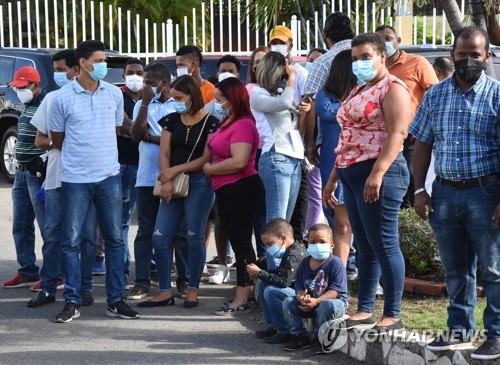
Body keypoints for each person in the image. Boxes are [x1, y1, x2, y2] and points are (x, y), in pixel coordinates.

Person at [411, 26, 500, 361]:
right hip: (445, 193)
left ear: (486, 56)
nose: (467, 61)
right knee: (454, 268)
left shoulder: (497, 95)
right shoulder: (435, 94)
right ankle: (459, 328)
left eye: (474, 55)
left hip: (486, 193)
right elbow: (422, 141)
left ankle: (496, 334)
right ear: (452, 54)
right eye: (461, 55)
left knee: (493, 269)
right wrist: (419, 189)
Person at [323, 32, 411, 333]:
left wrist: (377, 173)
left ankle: (394, 313)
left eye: (365, 57)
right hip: (350, 173)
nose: (359, 63)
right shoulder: (359, 88)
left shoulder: (393, 88)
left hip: (380, 174)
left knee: (385, 243)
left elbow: (397, 134)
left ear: (382, 56)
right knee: (365, 245)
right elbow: (349, 137)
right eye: (355, 58)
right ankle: (365, 309)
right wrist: (335, 176)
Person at [49, 40, 139, 322]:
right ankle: (73, 300)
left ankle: (115, 300)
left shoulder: (113, 95)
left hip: (109, 177)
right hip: (75, 179)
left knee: (114, 240)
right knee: (71, 241)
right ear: (83, 63)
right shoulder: (61, 98)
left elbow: (113, 131)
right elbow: (57, 140)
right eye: (99, 60)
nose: (103, 66)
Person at [138, 75, 218, 309]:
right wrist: (167, 179)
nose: (175, 102)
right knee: (160, 237)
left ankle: (192, 288)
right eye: (173, 98)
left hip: (200, 183)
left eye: (179, 98)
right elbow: (164, 152)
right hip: (170, 181)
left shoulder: (211, 122)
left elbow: (206, 158)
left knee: (194, 235)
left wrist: (173, 171)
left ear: (193, 96)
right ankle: (164, 290)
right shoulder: (170, 120)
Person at [28, 49, 97, 308]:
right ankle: (48, 288)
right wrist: (67, 140)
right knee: (53, 235)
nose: (56, 74)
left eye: (60, 69)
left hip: (88, 179)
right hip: (57, 179)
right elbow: (40, 140)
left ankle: (85, 287)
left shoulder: (95, 98)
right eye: (55, 69)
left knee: (87, 237)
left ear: (76, 68)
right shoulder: (53, 99)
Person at [203, 77, 264, 314]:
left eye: (220, 99)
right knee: (239, 241)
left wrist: (210, 169)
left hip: (240, 187)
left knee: (240, 244)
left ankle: (242, 295)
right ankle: (245, 292)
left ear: (234, 100)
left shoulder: (243, 124)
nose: (216, 103)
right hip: (227, 188)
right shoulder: (228, 121)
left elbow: (239, 161)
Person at [127, 62, 177, 300]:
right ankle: (142, 281)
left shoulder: (178, 104)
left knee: (177, 231)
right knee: (145, 231)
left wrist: (153, 138)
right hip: (146, 177)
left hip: (174, 176)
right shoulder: (141, 104)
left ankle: (184, 280)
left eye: (149, 82)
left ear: (163, 83)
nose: (144, 86)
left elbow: (178, 142)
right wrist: (145, 103)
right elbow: (136, 135)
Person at [376, 25, 438, 208]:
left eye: (388, 38)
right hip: (383, 140)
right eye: (380, 40)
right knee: (389, 188)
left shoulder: (417, 63)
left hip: (412, 138)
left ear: (398, 40)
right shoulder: (374, 68)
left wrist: (421, 125)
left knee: (412, 182)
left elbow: (434, 96)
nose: (385, 42)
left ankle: (413, 225)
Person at [2, 67, 46, 290]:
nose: (18, 91)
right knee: (20, 225)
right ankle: (27, 271)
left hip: (36, 174)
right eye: (16, 87)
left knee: (48, 226)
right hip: (20, 172)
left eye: (22, 87)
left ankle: (53, 275)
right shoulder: (27, 105)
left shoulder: (46, 104)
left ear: (34, 85)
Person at [269, 25, 314, 244]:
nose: (277, 46)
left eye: (281, 42)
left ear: (291, 46)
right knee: (277, 213)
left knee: (296, 208)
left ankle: (294, 252)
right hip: (275, 147)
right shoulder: (268, 75)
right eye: (274, 42)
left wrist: (309, 144)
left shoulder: (302, 74)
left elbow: (306, 110)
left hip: (297, 146)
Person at [250, 52, 306, 225]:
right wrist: (292, 78)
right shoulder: (257, 95)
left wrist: (303, 112)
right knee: (277, 221)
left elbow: (299, 129)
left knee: (285, 223)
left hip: (294, 157)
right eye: (284, 71)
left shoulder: (281, 93)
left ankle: (279, 253)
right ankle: (271, 253)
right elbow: (283, 104)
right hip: (276, 156)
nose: (286, 75)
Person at [315, 49, 357, 266]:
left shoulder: (363, 92)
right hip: (333, 162)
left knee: (350, 218)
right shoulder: (324, 95)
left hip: (358, 159)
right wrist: (353, 108)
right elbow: (328, 112)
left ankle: (350, 262)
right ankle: (343, 266)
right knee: (335, 214)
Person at [282, 224, 348, 352]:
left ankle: (321, 337)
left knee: (326, 305)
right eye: (313, 242)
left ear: (332, 245)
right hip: (311, 302)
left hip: (334, 303)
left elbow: (336, 291)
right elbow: (299, 285)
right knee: (288, 302)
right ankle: (299, 336)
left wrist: (317, 301)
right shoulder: (305, 263)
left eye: (322, 242)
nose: (317, 245)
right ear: (307, 244)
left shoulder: (336, 263)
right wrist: (300, 297)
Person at [303, 12, 354, 166]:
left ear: (325, 34)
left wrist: (310, 144)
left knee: (332, 187)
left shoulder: (323, 62)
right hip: (368, 137)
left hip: (333, 137)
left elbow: (309, 104)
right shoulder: (369, 57)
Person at [248, 218, 308, 343]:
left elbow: (283, 282)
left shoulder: (294, 255)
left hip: (303, 294)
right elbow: (282, 275)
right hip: (295, 289)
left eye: (270, 244)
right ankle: (274, 325)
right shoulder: (289, 250)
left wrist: (260, 273)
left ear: (283, 239)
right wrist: (261, 274)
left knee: (271, 291)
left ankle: (283, 330)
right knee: (264, 284)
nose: (268, 248)